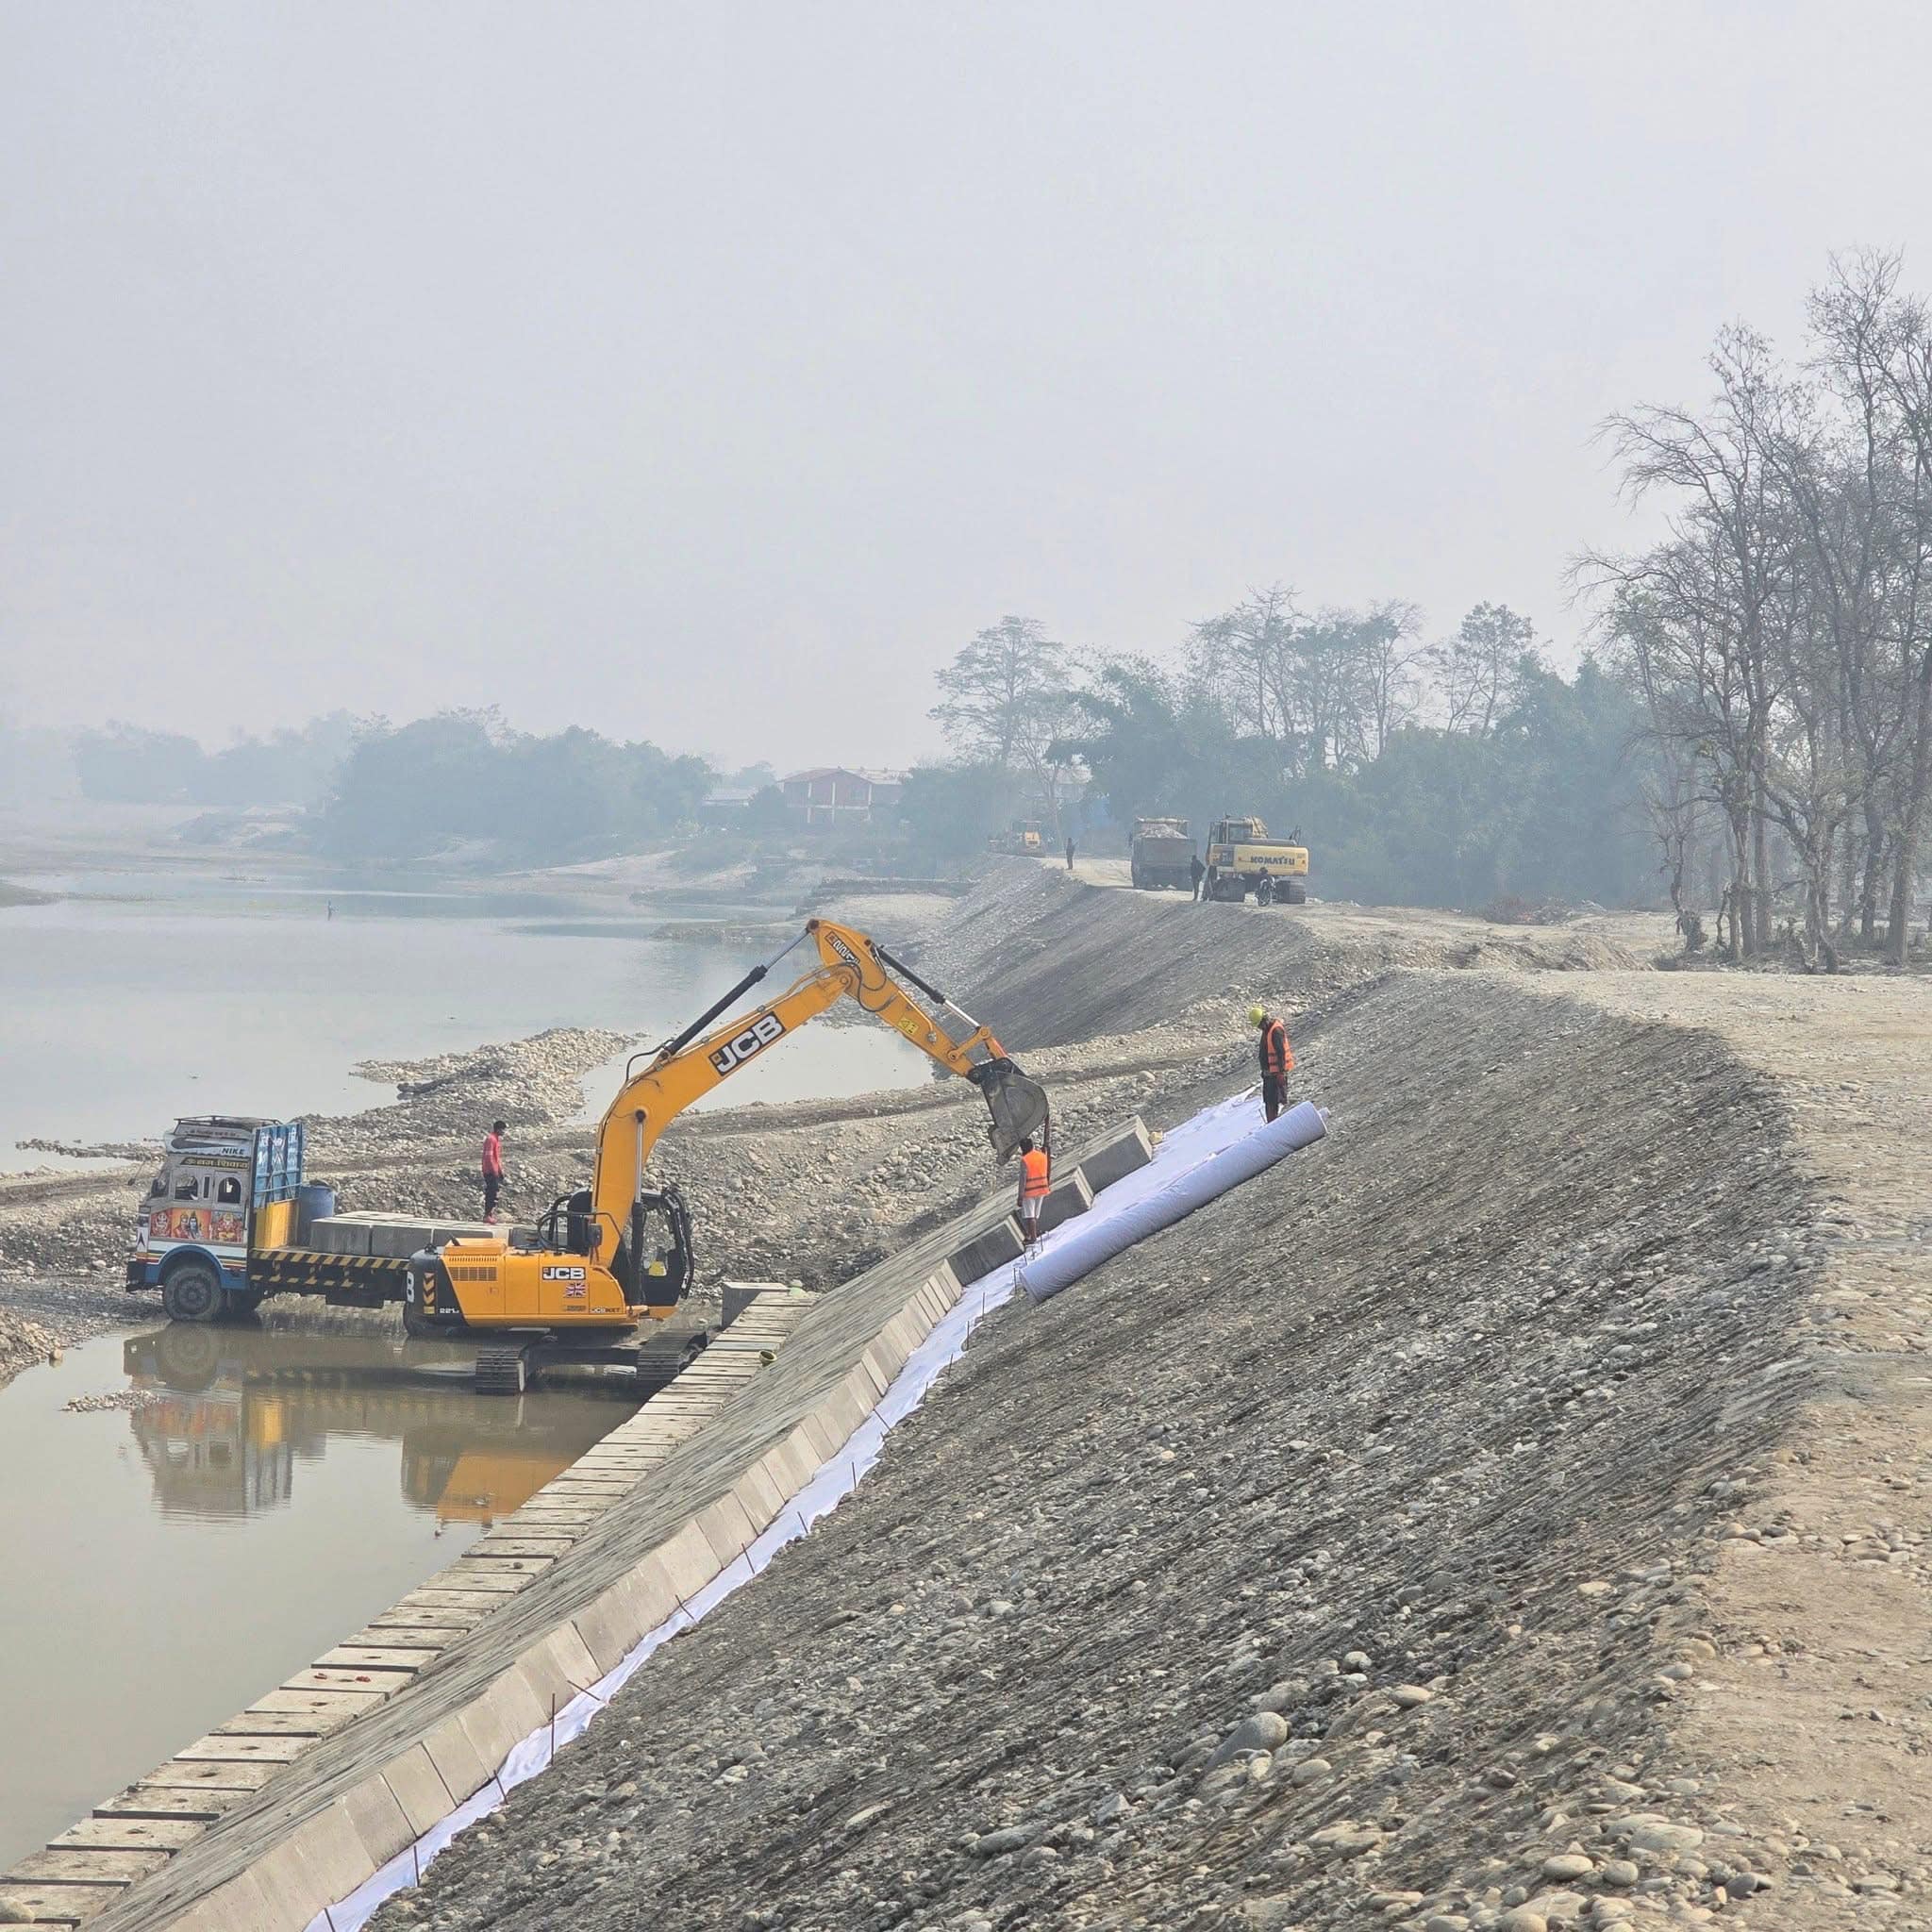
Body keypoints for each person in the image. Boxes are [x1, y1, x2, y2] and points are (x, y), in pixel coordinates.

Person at [1249, 1005, 1295, 1123]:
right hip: (1269, 1074)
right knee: (1269, 1101)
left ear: (1264, 1020)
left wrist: (1280, 1073)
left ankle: (1275, 1124)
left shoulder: (1275, 1031)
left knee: (1273, 1102)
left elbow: (1281, 1053)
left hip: (1275, 1074)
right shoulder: (1267, 1030)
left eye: (1259, 1025)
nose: (1259, 1028)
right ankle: (1272, 1124)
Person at [1017, 1135, 1051, 1247]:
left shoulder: (1025, 1160)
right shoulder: (1042, 1155)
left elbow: (1023, 1179)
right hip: (1042, 1187)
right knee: (1035, 1215)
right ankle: (1034, 1233)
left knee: (1030, 1216)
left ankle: (1032, 1238)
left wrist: (1020, 1196)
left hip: (1029, 1191)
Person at [482, 1119, 507, 1222]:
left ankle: (490, 1214)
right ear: (498, 1129)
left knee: (495, 1192)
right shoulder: (491, 1139)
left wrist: (501, 1171)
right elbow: (489, 1157)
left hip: (495, 1171)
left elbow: (497, 1158)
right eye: (503, 1130)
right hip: (490, 1171)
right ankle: (487, 1215)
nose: (504, 1132)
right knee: (491, 1192)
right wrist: (494, 1171)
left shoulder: (496, 1139)